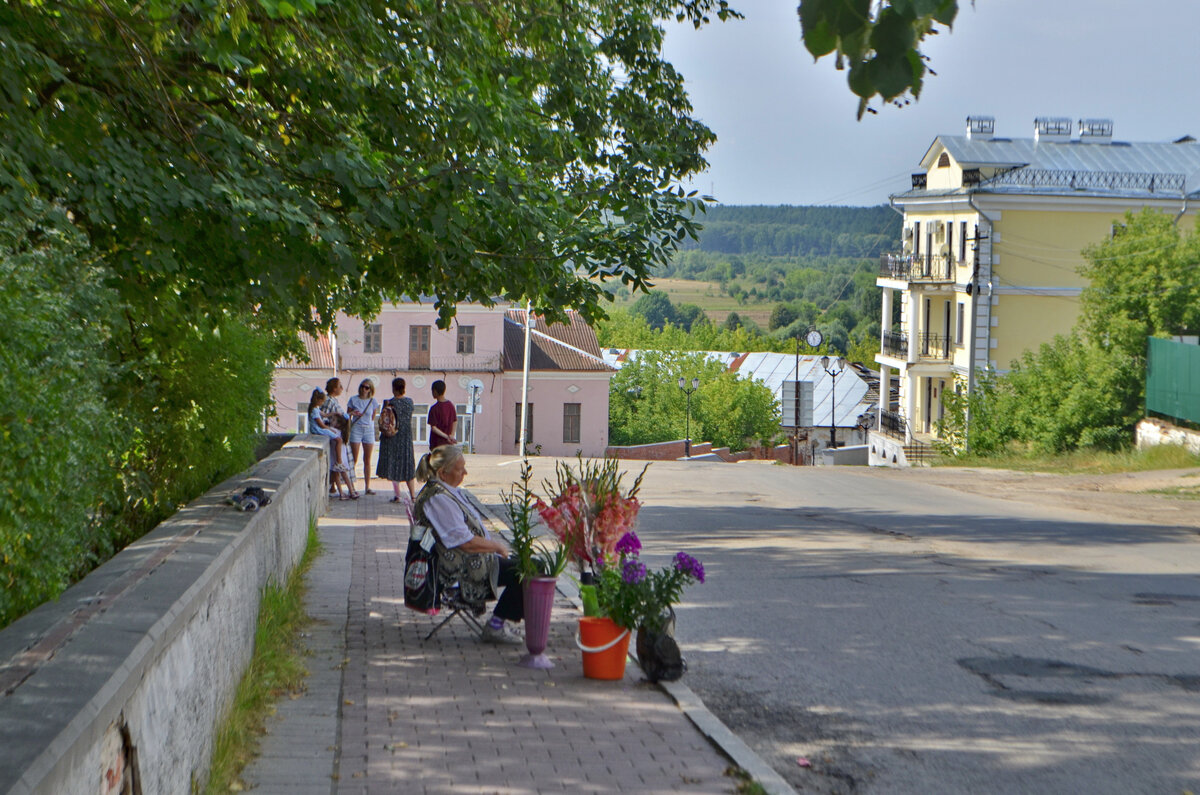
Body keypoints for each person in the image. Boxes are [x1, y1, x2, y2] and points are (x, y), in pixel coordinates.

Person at [412, 445, 523, 644]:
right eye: (459, 468)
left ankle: (503, 622)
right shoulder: (438, 498)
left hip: (466, 559)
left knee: (528, 566)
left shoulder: (444, 491)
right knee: (527, 570)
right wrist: (496, 547)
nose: (465, 472)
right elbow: (464, 542)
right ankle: (497, 626)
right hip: (457, 569)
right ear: (442, 473)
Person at [376, 377, 416, 504]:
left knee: (394, 465)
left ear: (393, 389)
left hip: (392, 437)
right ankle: (413, 496)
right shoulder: (409, 402)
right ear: (404, 388)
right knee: (408, 466)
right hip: (406, 437)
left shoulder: (389, 403)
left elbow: (383, 421)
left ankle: (397, 495)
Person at [347, 379, 379, 494]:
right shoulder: (353, 400)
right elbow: (347, 416)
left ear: (370, 389)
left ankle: (367, 487)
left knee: (367, 459)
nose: (364, 389)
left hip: (368, 430)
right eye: (362, 386)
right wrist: (353, 414)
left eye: (367, 387)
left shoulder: (372, 401)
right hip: (356, 428)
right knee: (354, 458)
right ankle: (351, 486)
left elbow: (372, 417)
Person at [308, 389, 348, 476]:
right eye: (322, 401)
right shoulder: (314, 411)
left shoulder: (316, 408)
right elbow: (321, 425)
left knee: (338, 440)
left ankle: (339, 462)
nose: (323, 403)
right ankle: (339, 462)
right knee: (339, 440)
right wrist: (329, 429)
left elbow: (325, 415)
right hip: (318, 429)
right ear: (318, 400)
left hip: (318, 428)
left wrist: (335, 413)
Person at [330, 415, 359, 500]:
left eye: (333, 419)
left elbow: (324, 428)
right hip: (342, 457)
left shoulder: (334, 431)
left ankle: (342, 493)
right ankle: (351, 491)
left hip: (336, 457)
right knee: (343, 474)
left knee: (337, 475)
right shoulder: (343, 432)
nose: (331, 421)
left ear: (338, 424)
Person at [427, 379, 457, 451]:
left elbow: (433, 428)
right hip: (448, 444)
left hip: (437, 443)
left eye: (432, 391)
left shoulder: (434, 408)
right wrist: (451, 436)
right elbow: (455, 421)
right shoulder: (450, 405)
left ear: (435, 391)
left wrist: (446, 437)